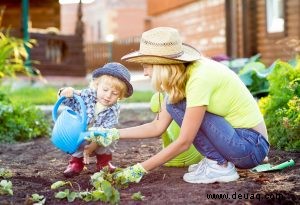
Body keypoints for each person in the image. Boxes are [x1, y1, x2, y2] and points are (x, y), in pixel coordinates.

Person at [92, 27, 270, 184]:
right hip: (236, 141)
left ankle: (219, 166)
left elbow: (184, 141)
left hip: (250, 147)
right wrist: (112, 134)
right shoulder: (181, 79)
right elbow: (157, 127)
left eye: (147, 66)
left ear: (163, 66)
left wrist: (138, 170)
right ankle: (216, 161)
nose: (145, 73)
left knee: (175, 103)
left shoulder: (199, 78)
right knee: (173, 102)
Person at [57, 62, 133, 177]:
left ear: (120, 96)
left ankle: (104, 162)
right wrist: (66, 92)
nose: (108, 96)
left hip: (99, 135)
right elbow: (68, 100)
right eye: (105, 90)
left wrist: (93, 146)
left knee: (110, 137)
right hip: (80, 132)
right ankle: (76, 163)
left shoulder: (114, 108)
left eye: (114, 93)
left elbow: (106, 128)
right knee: (77, 140)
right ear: (97, 86)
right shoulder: (86, 95)